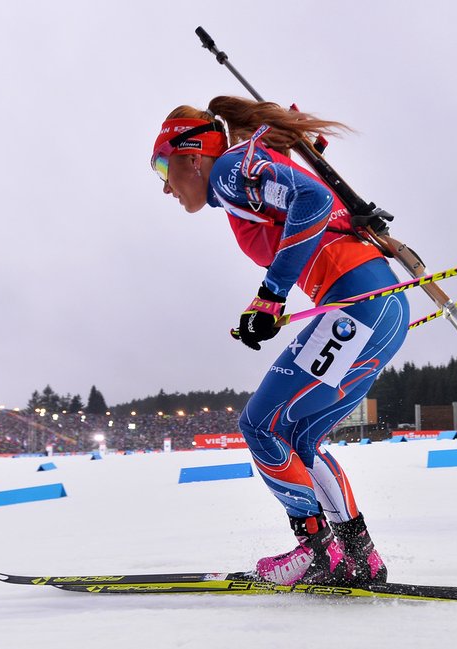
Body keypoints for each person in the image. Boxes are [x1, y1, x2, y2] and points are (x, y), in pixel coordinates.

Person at [150, 97, 410, 586]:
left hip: (357, 303)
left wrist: (270, 297)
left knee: (259, 426)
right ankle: (359, 556)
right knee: (298, 437)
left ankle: (316, 552)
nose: (164, 185)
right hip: (382, 307)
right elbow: (303, 201)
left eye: (162, 165)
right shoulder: (241, 174)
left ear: (192, 155)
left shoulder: (228, 170)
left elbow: (310, 200)